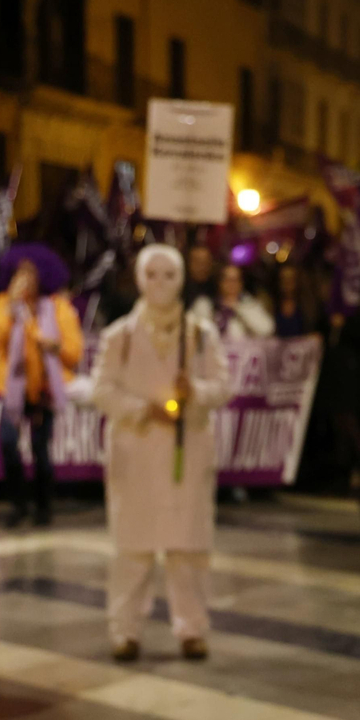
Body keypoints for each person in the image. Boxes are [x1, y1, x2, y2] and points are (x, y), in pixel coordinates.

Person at [93, 244, 231, 662]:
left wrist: (197, 393)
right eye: (151, 275)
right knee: (132, 549)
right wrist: (141, 410)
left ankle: (191, 628)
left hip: (185, 456)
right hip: (136, 455)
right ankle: (125, 630)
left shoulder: (201, 335)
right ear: (138, 280)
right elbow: (101, 390)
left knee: (187, 549)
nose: (160, 284)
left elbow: (223, 386)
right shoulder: (119, 337)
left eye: (169, 275)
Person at [0, 247, 85, 527]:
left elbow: (75, 352)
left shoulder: (58, 307)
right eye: (20, 272)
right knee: (7, 443)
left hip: (44, 390)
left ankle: (43, 507)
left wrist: (55, 346)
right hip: (11, 388)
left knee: (41, 450)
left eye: (30, 272)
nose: (25, 278)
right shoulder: (3, 302)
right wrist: (10, 308)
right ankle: (17, 505)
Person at [190, 263, 275, 343]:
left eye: (235, 280)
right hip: (212, 354)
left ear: (241, 283)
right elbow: (194, 332)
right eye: (227, 279)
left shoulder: (249, 304)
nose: (231, 284)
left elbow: (266, 331)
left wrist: (238, 308)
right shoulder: (205, 304)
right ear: (219, 282)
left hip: (243, 355)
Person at [270, 263, 319, 338]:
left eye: (290, 279)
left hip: (303, 347)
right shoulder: (272, 304)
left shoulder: (308, 304)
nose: (287, 283)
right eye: (283, 279)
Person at [184, 242, 219, 307]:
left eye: (206, 262)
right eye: (197, 262)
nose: (202, 266)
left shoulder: (218, 288)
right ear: (188, 263)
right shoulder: (180, 290)